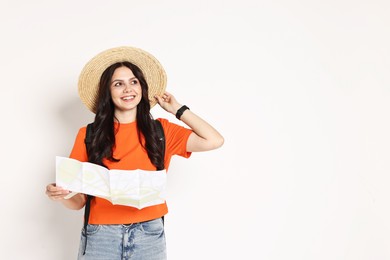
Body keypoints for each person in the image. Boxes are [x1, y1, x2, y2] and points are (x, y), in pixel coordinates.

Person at [45, 46, 224, 260]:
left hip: (148, 235)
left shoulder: (162, 131)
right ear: (108, 92)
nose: (128, 89)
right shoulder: (89, 134)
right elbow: (78, 202)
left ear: (142, 88)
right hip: (101, 235)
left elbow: (214, 140)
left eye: (133, 82)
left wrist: (178, 109)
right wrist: (60, 196)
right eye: (118, 84)